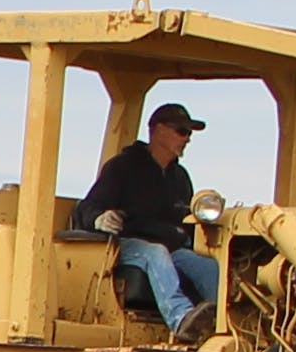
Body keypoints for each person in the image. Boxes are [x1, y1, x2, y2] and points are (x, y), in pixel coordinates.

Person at [80, 102, 221, 339]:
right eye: (182, 131)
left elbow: (184, 222)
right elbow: (88, 207)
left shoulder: (180, 177)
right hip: (126, 246)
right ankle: (181, 319)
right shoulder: (122, 168)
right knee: (155, 253)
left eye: (189, 133)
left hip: (171, 247)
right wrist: (100, 218)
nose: (187, 139)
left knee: (207, 265)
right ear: (158, 130)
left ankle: (226, 324)